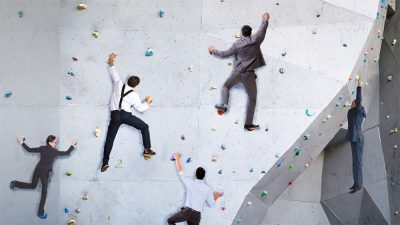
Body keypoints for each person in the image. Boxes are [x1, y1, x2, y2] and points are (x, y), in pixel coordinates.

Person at [208, 11, 270, 131]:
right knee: (252, 99)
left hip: (237, 73)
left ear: (242, 33)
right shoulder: (256, 40)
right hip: (249, 76)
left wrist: (213, 50)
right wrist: (265, 19)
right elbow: (263, 30)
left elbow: (224, 54)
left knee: (226, 86)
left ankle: (224, 105)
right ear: (250, 33)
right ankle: (248, 124)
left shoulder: (237, 45)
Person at [101, 53, 155, 172]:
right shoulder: (134, 95)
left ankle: (105, 163)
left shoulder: (118, 83)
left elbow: (112, 70)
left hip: (115, 115)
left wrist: (111, 60)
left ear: (127, 80)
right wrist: (148, 101)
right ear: (136, 85)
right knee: (145, 127)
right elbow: (140, 109)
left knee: (110, 139)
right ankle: (147, 149)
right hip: (126, 116)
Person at [10, 135, 77, 219]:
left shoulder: (42, 148)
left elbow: (29, 150)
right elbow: (66, 153)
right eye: (55, 142)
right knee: (44, 193)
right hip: (44, 173)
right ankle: (40, 212)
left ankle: (15, 184)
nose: (56, 144)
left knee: (33, 185)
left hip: (37, 169)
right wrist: (73, 144)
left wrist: (22, 142)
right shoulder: (54, 151)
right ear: (50, 142)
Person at [167, 153, 222, 225]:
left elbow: (180, 171)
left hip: (187, 212)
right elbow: (211, 204)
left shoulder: (190, 182)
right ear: (204, 176)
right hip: (197, 215)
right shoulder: (208, 189)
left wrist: (177, 158)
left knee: (170, 221)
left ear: (195, 174)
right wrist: (216, 197)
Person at [347, 77, 366, 194]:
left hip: (358, 139)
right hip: (354, 139)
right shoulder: (352, 112)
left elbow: (359, 99)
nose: (352, 103)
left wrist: (359, 86)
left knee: (357, 162)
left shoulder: (358, 110)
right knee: (355, 162)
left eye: (353, 102)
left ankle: (359, 185)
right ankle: (356, 183)